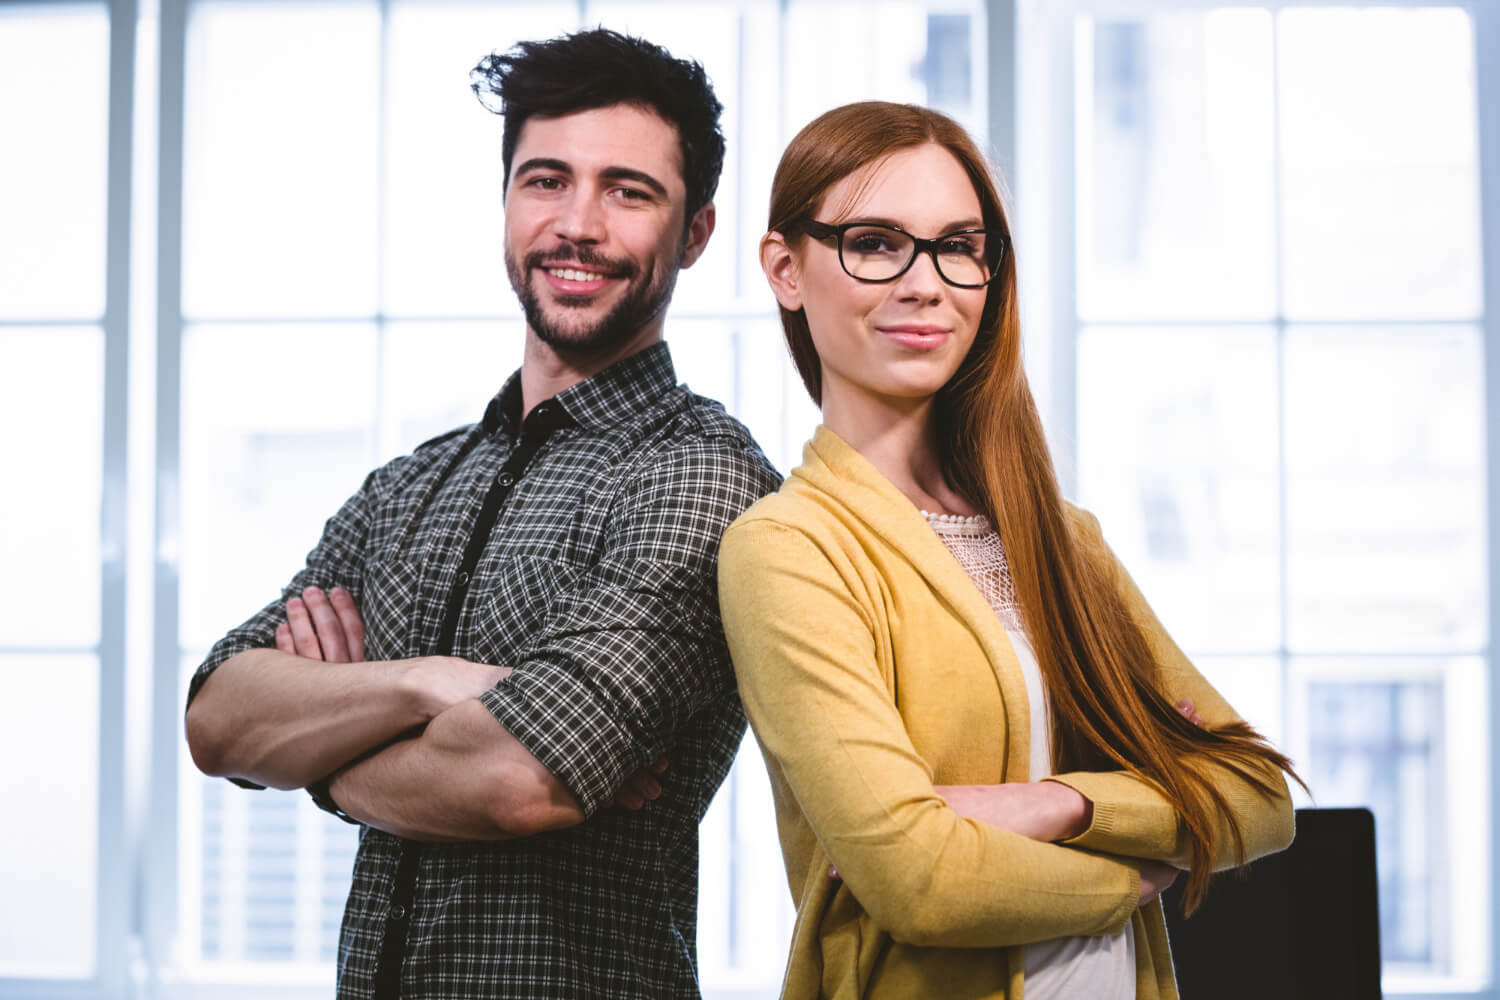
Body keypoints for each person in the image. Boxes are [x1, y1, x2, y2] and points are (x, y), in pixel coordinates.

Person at [184, 29, 779, 1000]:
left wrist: (322, 755)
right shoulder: (408, 489)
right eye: (546, 180)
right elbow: (217, 720)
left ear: (696, 233)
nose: (577, 223)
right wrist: (430, 684)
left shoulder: (700, 477)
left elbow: (513, 781)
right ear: (507, 200)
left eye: (628, 191)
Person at [717, 101, 1300, 1000]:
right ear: (785, 269)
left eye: (960, 245)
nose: (926, 284)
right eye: (876, 242)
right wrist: (1142, 871)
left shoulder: (1063, 540)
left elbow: (1258, 795)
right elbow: (924, 883)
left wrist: (1059, 803)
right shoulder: (789, 551)